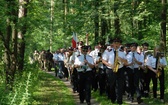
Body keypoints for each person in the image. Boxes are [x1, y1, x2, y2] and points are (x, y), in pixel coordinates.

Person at [102, 38, 127, 105]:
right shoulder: (108, 51)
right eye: (115, 43)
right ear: (112, 44)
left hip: (120, 69)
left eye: (118, 43)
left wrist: (121, 59)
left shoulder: (122, 52)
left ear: (119, 44)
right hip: (110, 69)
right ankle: (113, 99)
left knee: (120, 86)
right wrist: (109, 65)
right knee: (112, 85)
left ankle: (119, 101)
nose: (116, 44)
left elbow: (126, 62)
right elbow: (103, 60)